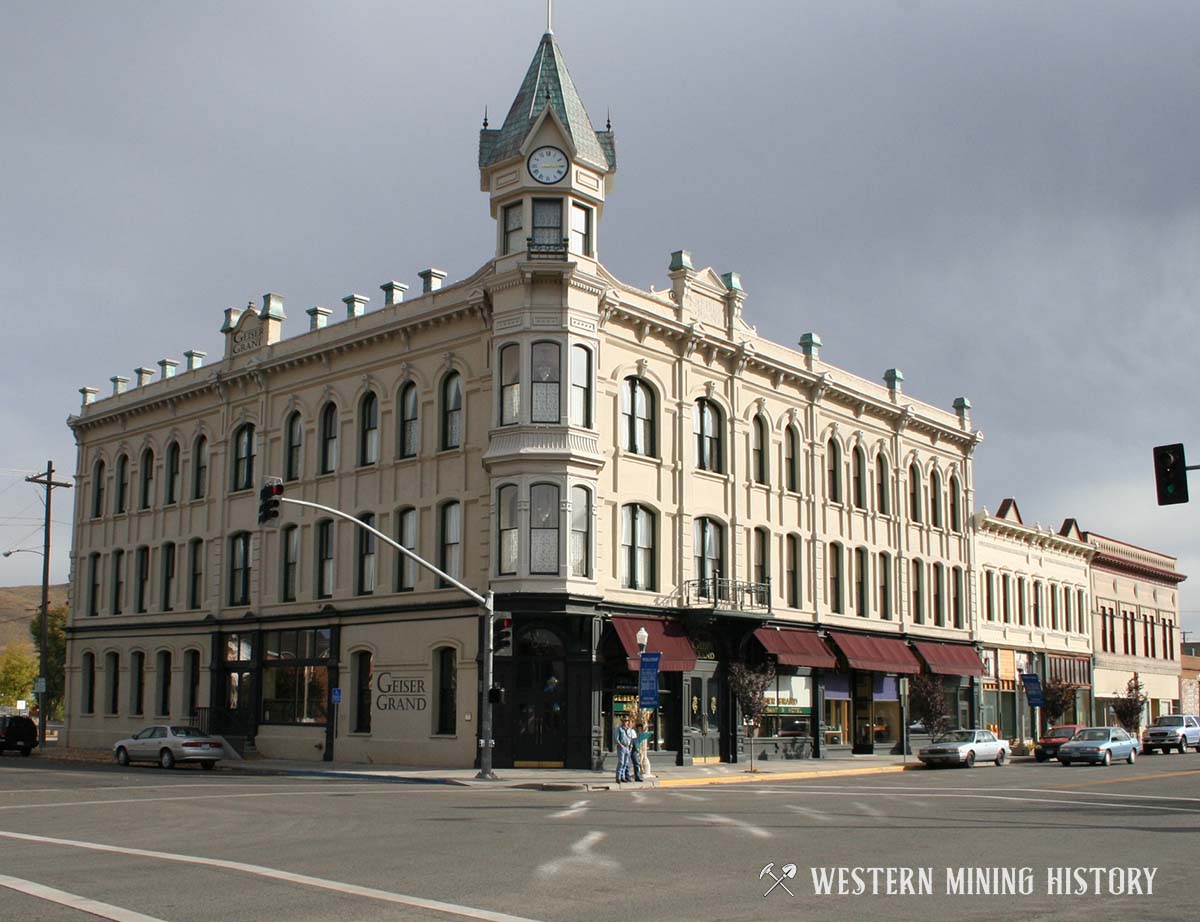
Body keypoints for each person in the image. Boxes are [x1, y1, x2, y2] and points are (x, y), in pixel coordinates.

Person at [614, 715, 635, 782]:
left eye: (627, 721)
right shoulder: (619, 729)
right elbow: (616, 739)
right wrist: (620, 745)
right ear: (622, 722)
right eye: (624, 721)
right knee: (621, 762)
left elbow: (631, 738)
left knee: (626, 763)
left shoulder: (629, 730)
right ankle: (618, 777)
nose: (626, 722)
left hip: (627, 747)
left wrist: (631, 746)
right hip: (621, 747)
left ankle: (623, 777)